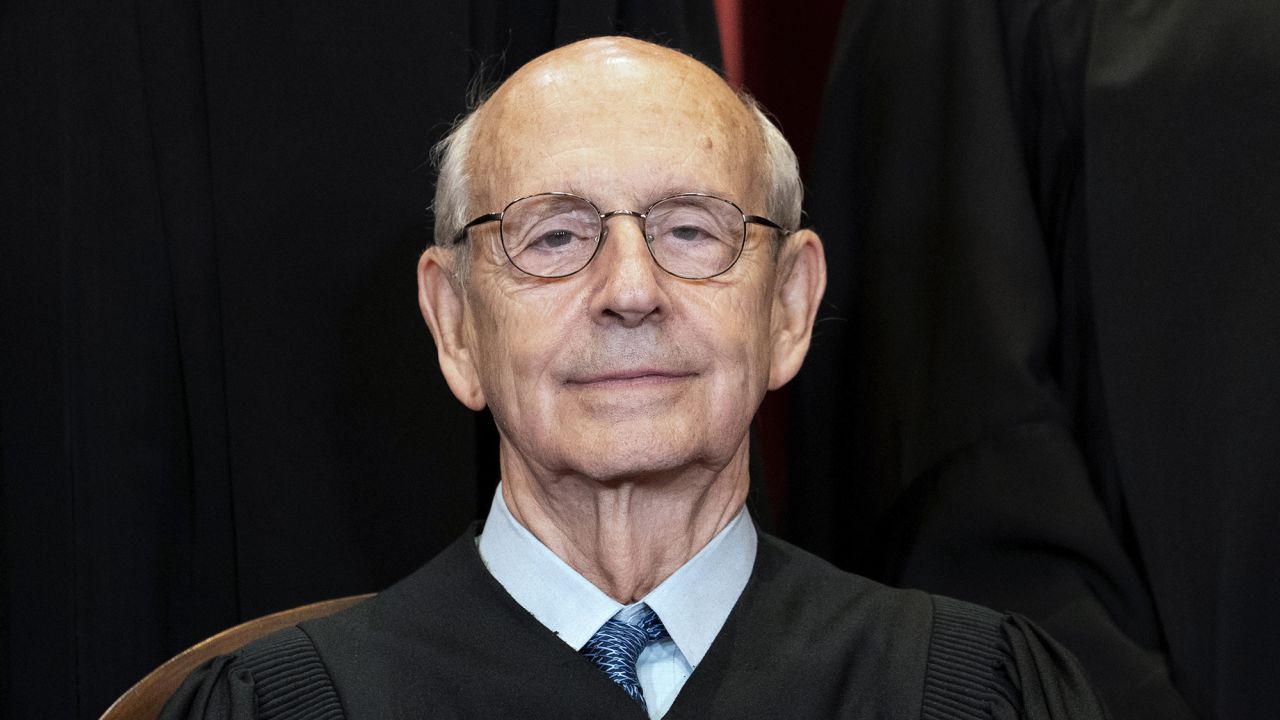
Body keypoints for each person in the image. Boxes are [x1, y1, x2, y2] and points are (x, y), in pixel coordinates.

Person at [160, 36, 1109, 719]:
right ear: (455, 323)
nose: (629, 291)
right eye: (555, 236)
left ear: (789, 307)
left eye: (692, 230)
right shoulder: (285, 706)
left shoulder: (970, 693)